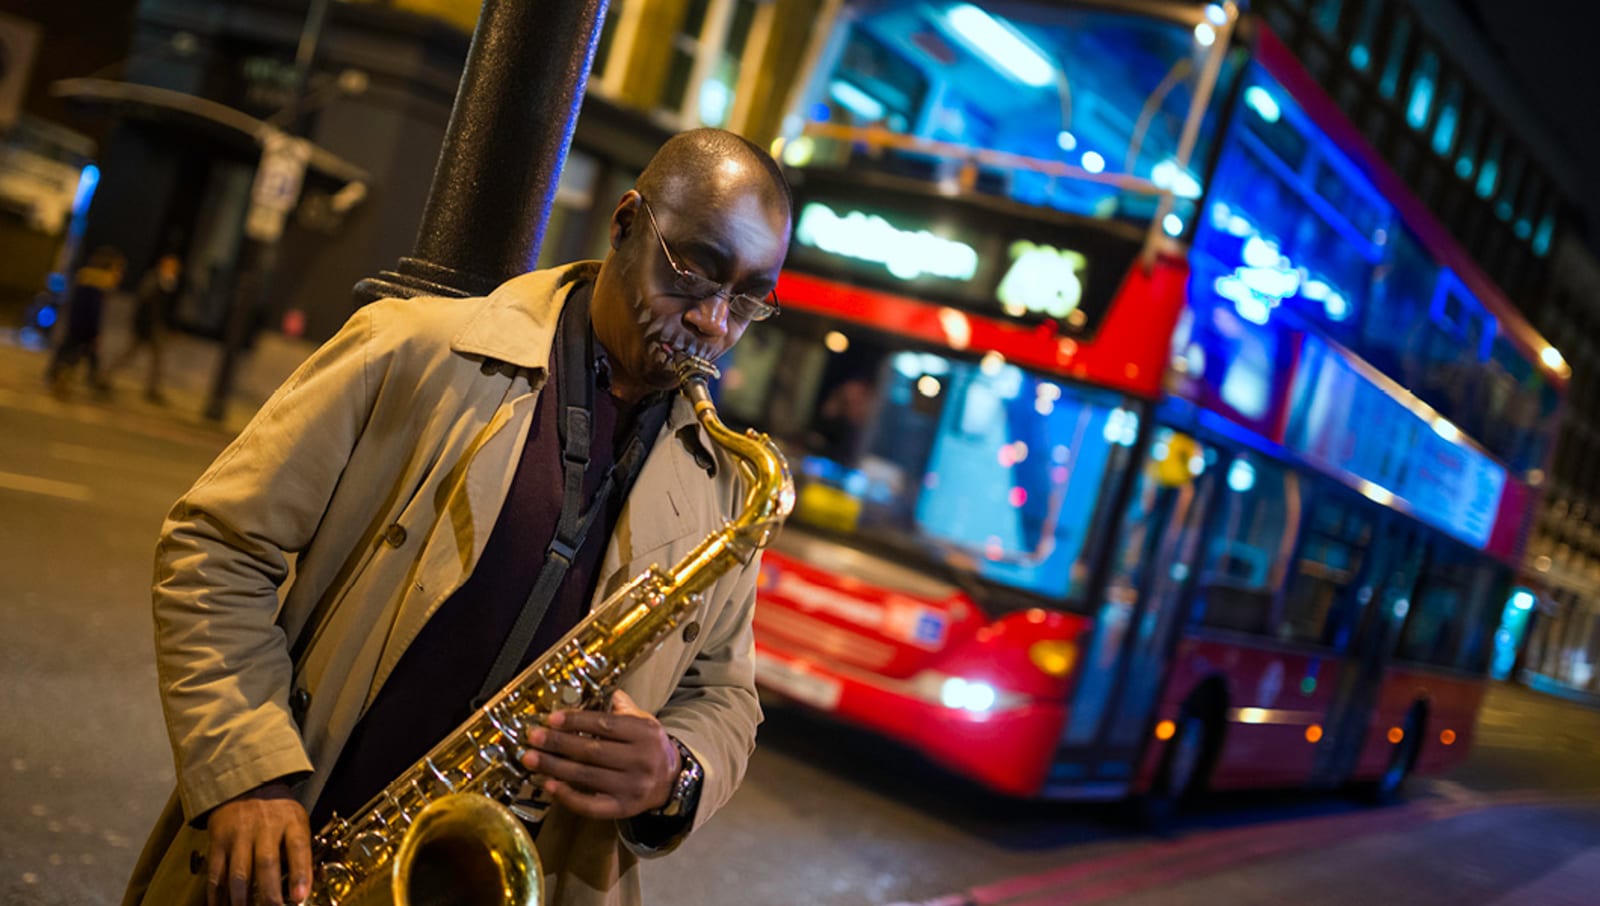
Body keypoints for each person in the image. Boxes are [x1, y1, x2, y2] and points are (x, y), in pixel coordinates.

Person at [123, 128, 792, 906]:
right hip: (298, 849)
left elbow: (727, 694)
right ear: (625, 225)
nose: (714, 323)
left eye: (747, 299)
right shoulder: (408, 350)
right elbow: (217, 547)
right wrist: (248, 771)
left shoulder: (730, 488)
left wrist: (677, 772)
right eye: (696, 273)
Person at [46, 246, 126, 398]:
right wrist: (95, 332)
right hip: (85, 328)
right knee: (73, 356)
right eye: (117, 269)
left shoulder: (85, 279)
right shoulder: (98, 284)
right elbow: (94, 312)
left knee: (74, 353)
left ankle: (63, 376)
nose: (119, 274)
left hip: (76, 325)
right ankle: (63, 380)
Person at [110, 252, 183, 404]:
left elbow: (166, 310)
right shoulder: (155, 281)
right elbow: (145, 305)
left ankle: (153, 389)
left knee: (157, 359)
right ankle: (106, 375)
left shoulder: (168, 283)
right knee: (130, 353)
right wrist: (142, 325)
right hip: (147, 326)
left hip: (156, 327)